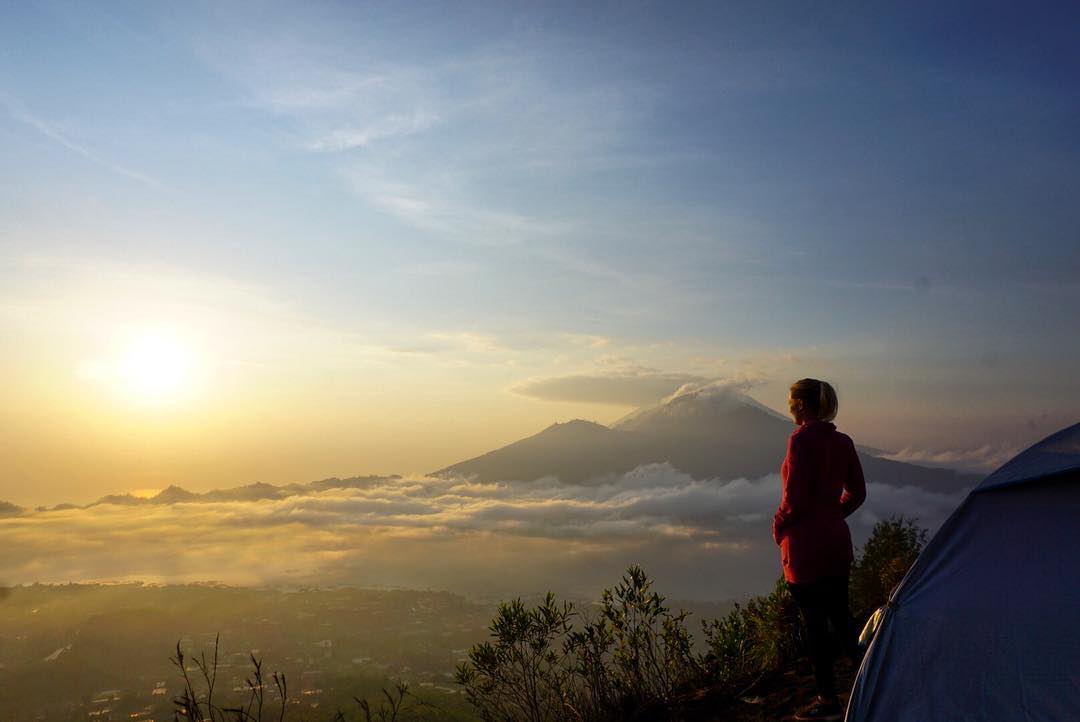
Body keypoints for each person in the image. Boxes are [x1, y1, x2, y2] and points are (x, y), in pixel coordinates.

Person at [773, 378, 866, 721]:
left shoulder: (800, 440)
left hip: (805, 548)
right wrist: (832, 515)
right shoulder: (842, 441)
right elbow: (857, 491)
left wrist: (779, 525)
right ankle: (873, 681)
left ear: (801, 405)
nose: (788, 407)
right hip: (836, 542)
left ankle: (828, 701)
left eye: (790, 401)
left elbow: (793, 498)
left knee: (814, 624)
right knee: (843, 619)